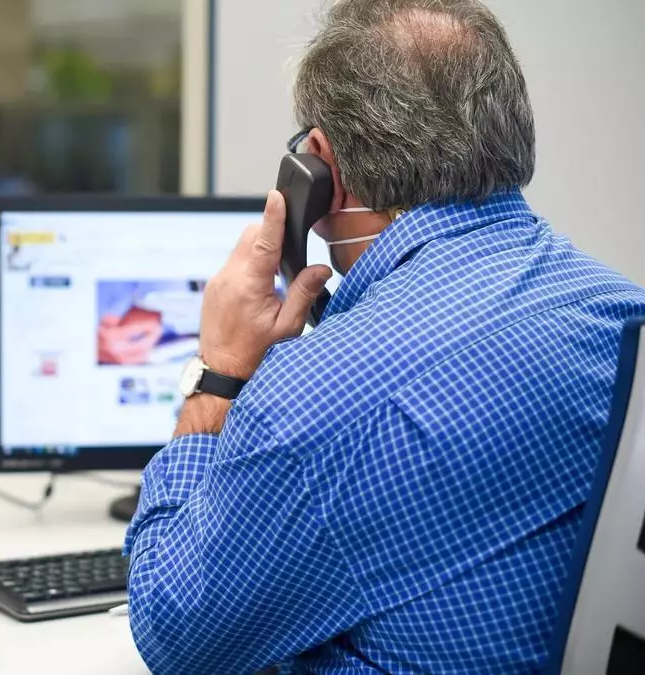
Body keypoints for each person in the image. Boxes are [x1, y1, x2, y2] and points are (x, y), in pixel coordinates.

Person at [124, 0, 645, 672]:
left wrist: (219, 373)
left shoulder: (312, 402)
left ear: (319, 170)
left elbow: (178, 639)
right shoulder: (620, 310)